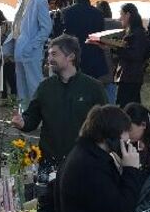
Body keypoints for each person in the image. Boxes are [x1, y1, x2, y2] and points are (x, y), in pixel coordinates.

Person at [14, 35, 107, 170]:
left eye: (54, 54)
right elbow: (32, 117)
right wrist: (22, 123)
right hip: (49, 163)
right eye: (48, 54)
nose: (49, 59)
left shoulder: (93, 88)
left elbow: (105, 124)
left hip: (82, 163)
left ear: (71, 56)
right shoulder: (45, 87)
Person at [10, 0, 53, 106]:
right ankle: (25, 114)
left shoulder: (40, 0)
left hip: (32, 52)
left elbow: (46, 28)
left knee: (35, 86)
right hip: (19, 48)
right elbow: (17, 23)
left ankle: (40, 114)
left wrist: (32, 45)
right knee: (21, 88)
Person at [57, 0, 110, 85]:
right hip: (95, 58)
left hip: (75, 57)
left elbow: (65, 36)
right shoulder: (98, 13)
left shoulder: (67, 12)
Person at [112, 2, 150, 111]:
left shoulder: (137, 33)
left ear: (128, 15)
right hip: (130, 75)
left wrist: (118, 48)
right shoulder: (134, 32)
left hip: (130, 76)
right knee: (131, 106)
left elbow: (135, 55)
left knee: (127, 108)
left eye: (121, 14)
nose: (120, 18)